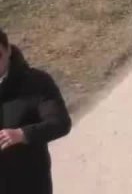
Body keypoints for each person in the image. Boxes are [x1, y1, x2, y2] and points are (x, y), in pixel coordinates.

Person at [0, 27, 72, 194]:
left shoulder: (37, 82)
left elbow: (60, 123)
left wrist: (23, 134)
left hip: (30, 183)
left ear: (9, 50)